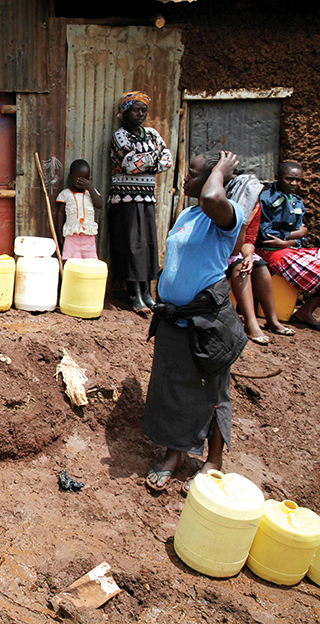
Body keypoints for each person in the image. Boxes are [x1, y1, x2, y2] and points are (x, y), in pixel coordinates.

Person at [143, 151, 247, 493]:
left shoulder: (226, 215)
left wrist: (221, 169)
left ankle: (213, 461)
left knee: (212, 391)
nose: (183, 179)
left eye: (192, 174)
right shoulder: (187, 214)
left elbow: (212, 196)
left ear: (213, 178)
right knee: (174, 388)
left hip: (207, 322)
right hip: (175, 320)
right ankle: (175, 454)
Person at [108, 91, 173, 313]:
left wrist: (146, 160)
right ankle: (133, 295)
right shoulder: (120, 136)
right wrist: (152, 158)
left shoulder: (152, 134)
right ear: (124, 113)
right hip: (125, 200)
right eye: (136, 110)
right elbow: (128, 163)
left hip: (146, 198)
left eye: (143, 110)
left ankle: (147, 294)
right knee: (131, 247)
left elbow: (167, 160)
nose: (141, 114)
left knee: (147, 247)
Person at [225, 173, 294, 345]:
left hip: (239, 251)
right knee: (241, 268)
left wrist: (248, 255)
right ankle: (251, 323)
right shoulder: (225, 209)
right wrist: (242, 223)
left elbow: (249, 240)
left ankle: (272, 320)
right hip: (222, 253)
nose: (255, 200)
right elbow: (232, 247)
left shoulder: (256, 208)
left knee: (260, 267)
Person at [256, 161, 320, 329]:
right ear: (277, 178)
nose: (294, 183)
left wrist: (287, 241)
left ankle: (305, 312)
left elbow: (301, 236)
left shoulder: (297, 201)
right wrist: (294, 236)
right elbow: (265, 234)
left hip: (289, 248)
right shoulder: (267, 199)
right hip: (269, 252)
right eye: (289, 179)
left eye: (298, 180)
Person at [56, 160, 100, 260]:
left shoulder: (91, 193)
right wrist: (59, 235)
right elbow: (60, 215)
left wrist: (90, 188)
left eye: (85, 178)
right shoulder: (65, 194)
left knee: (90, 262)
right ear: (71, 177)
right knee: (71, 262)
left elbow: (99, 205)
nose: (82, 181)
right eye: (79, 178)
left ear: (89, 179)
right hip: (72, 236)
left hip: (88, 237)